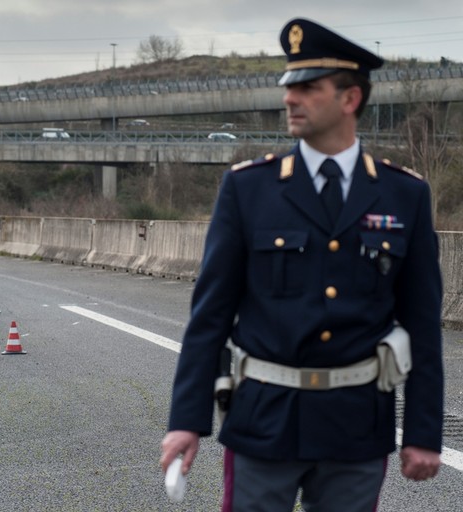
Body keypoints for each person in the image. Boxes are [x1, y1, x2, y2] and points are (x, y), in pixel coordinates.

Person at [160, 18, 444, 511]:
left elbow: (423, 324)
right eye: (289, 86)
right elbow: (209, 316)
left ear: (350, 99)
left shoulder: (405, 195)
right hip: (262, 421)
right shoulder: (248, 189)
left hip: (357, 427)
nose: (290, 98)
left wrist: (423, 431)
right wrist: (186, 420)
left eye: (308, 88)